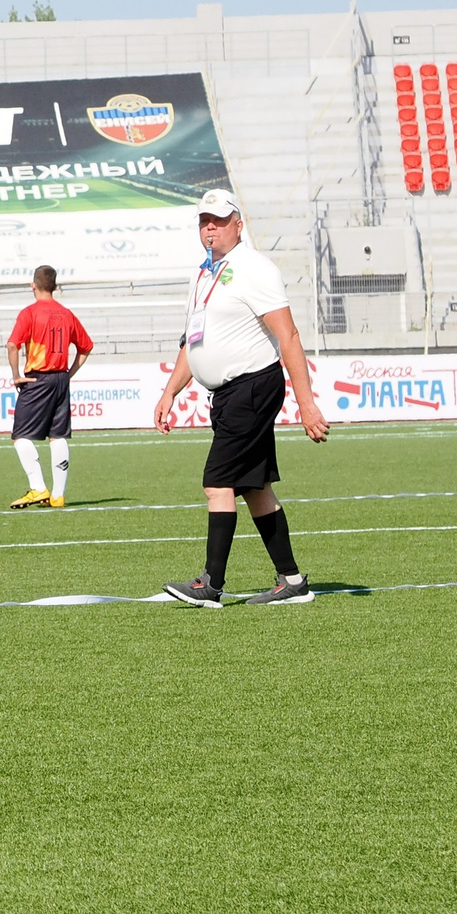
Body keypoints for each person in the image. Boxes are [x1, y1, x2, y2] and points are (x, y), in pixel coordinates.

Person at [154, 190, 329, 607]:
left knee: (217, 484)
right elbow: (192, 340)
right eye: (203, 221)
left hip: (251, 386)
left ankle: (210, 585)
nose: (209, 227)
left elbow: (288, 335)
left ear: (238, 223)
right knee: (255, 487)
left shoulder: (254, 268)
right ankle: (292, 581)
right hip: (229, 392)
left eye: (217, 219)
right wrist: (169, 392)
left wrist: (306, 403)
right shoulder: (202, 274)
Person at [4, 265, 92, 508]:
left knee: (20, 435)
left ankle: (38, 488)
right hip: (60, 379)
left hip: (38, 379)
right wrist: (69, 374)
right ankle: (58, 495)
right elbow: (86, 347)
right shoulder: (66, 313)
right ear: (55, 286)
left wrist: (15, 375)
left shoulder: (30, 313)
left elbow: (13, 345)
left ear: (34, 285)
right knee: (58, 435)